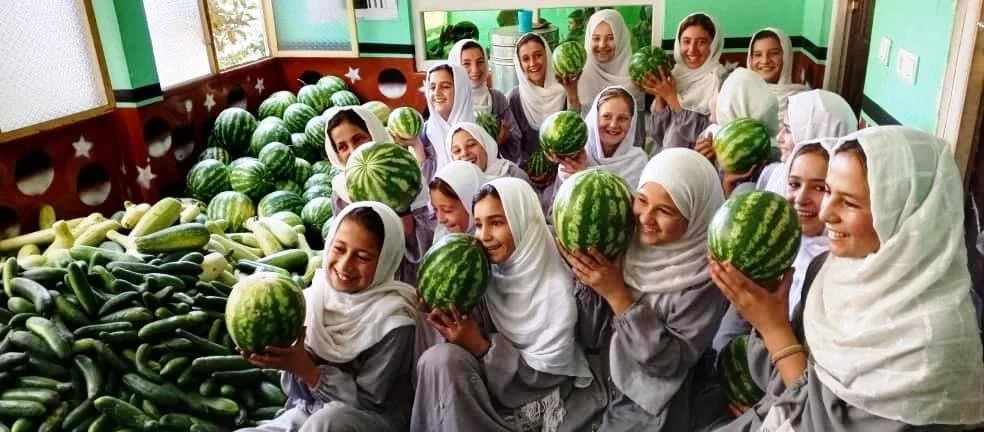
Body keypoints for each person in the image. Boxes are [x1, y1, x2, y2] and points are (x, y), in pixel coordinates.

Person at [711, 126, 984, 431]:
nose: (826, 213)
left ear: (907, 216)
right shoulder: (828, 269)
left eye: (850, 202)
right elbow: (788, 383)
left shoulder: (931, 346)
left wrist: (774, 329)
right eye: (828, 191)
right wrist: (766, 306)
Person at [411, 178, 604, 432]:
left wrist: (480, 346)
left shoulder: (567, 281)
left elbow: (549, 374)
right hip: (489, 394)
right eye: (478, 224)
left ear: (523, 220)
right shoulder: (483, 275)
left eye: (497, 222)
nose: (483, 236)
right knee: (438, 359)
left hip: (547, 400)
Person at [567, 148, 729, 431]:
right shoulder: (624, 241)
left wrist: (618, 295)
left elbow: (668, 363)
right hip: (601, 379)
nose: (645, 218)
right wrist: (586, 276)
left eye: (665, 210)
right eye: (641, 200)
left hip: (652, 400)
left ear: (697, 214)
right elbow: (590, 333)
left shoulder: (705, 279)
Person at [238, 202, 417, 432]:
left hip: (368, 421)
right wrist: (280, 356)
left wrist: (308, 370)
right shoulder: (313, 298)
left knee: (329, 422)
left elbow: (367, 403)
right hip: (308, 413)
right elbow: (297, 396)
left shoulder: (395, 322)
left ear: (385, 261)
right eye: (339, 248)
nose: (345, 265)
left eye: (362, 257)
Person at [712, 140, 833, 353]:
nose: (801, 198)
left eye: (819, 188)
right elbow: (726, 338)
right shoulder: (770, 243)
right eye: (794, 184)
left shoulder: (831, 271)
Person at [344, 143, 435, 286]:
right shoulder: (344, 204)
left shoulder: (427, 211)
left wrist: (403, 212)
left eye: (357, 139)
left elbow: (421, 252)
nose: (351, 149)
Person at [644, 12, 728, 152]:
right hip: (662, 162)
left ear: (713, 45)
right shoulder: (674, 75)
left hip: (694, 165)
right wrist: (660, 96)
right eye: (686, 41)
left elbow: (704, 136)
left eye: (701, 42)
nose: (692, 50)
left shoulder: (720, 81)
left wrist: (673, 99)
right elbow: (657, 134)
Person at [547, 86, 648, 187]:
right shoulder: (575, 155)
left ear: (632, 122)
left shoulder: (638, 161)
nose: (613, 124)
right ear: (594, 119)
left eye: (622, 118)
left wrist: (584, 174)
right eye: (606, 116)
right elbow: (560, 200)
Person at [761, 89, 857, 193]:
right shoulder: (778, 172)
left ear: (816, 135)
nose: (779, 137)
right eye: (795, 184)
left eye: (788, 130)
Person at [447, 39, 522, 161]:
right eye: (466, 64)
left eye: (480, 62)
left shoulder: (497, 98)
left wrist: (505, 137)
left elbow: (516, 137)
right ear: (455, 68)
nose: (475, 69)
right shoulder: (449, 102)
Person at [507, 33, 572, 168]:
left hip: (566, 168)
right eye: (525, 59)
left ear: (548, 55)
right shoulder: (514, 98)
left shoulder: (566, 88)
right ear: (519, 64)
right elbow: (514, 147)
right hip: (528, 172)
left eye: (538, 55)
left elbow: (576, 128)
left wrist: (572, 94)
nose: (533, 63)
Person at [573, 10, 639, 116]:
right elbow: (574, 123)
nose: (602, 45)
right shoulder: (579, 76)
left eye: (611, 38)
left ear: (621, 39)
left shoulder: (635, 78)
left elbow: (637, 128)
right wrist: (571, 92)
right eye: (596, 38)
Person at [421, 62, 475, 171]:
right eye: (432, 87)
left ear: (461, 90)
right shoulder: (424, 133)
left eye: (445, 86)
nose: (437, 93)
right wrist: (416, 145)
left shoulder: (478, 130)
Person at [747, 28, 809, 120]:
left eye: (774, 53)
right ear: (750, 59)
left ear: (786, 57)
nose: (765, 61)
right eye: (758, 55)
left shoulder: (802, 101)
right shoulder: (741, 95)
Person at [447, 122, 530, 182]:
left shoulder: (512, 174)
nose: (464, 153)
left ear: (485, 146)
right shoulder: (453, 188)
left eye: (471, 145)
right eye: (457, 151)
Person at [429, 160, 485, 242]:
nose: (440, 219)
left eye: (447, 210)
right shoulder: (442, 236)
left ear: (471, 204)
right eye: (435, 209)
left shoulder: (491, 243)